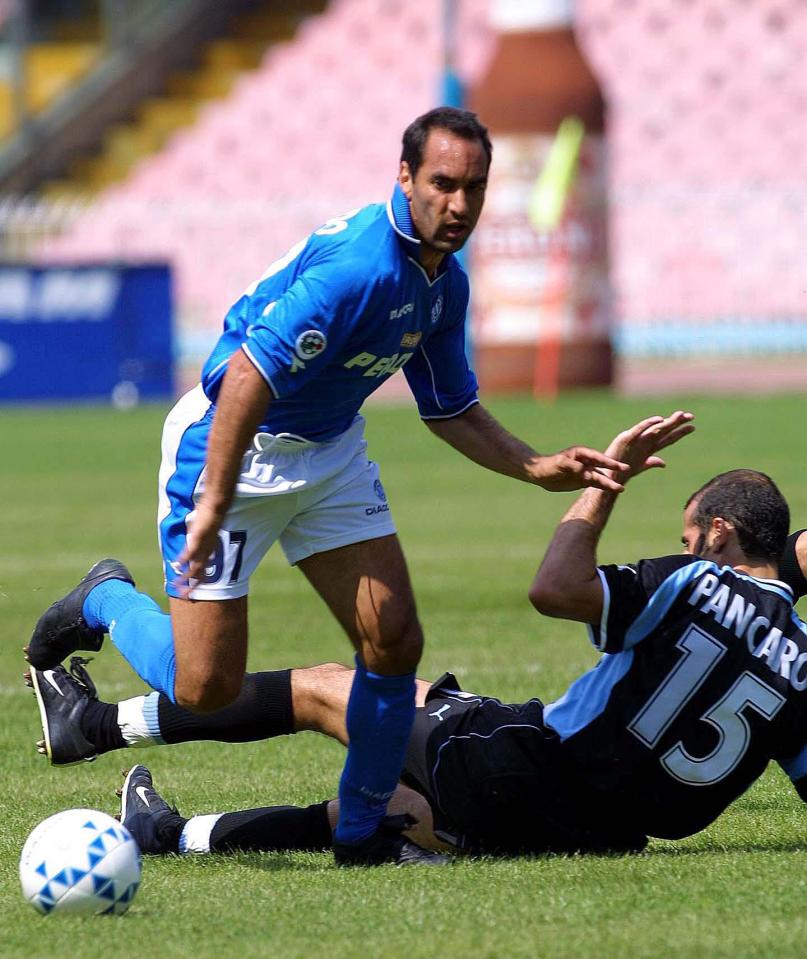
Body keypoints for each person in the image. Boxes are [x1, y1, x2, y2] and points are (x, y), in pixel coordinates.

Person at [24, 107, 633, 867]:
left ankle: (362, 832)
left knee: (393, 639)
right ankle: (105, 597)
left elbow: (449, 408)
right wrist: (213, 496)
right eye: (443, 184)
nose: (460, 204)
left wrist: (537, 467)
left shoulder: (444, 282)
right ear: (405, 177)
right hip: (230, 453)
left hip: (330, 453)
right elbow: (245, 373)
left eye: (474, 188)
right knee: (203, 683)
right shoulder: (359, 268)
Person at [47, 412, 807, 859]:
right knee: (381, 812)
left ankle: (97, 722)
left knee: (325, 690)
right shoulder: (801, 668)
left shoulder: (694, 579)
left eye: (685, 531)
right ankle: (167, 832)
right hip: (600, 834)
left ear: (716, 533)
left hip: (521, 765)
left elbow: (553, 589)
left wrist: (599, 486)